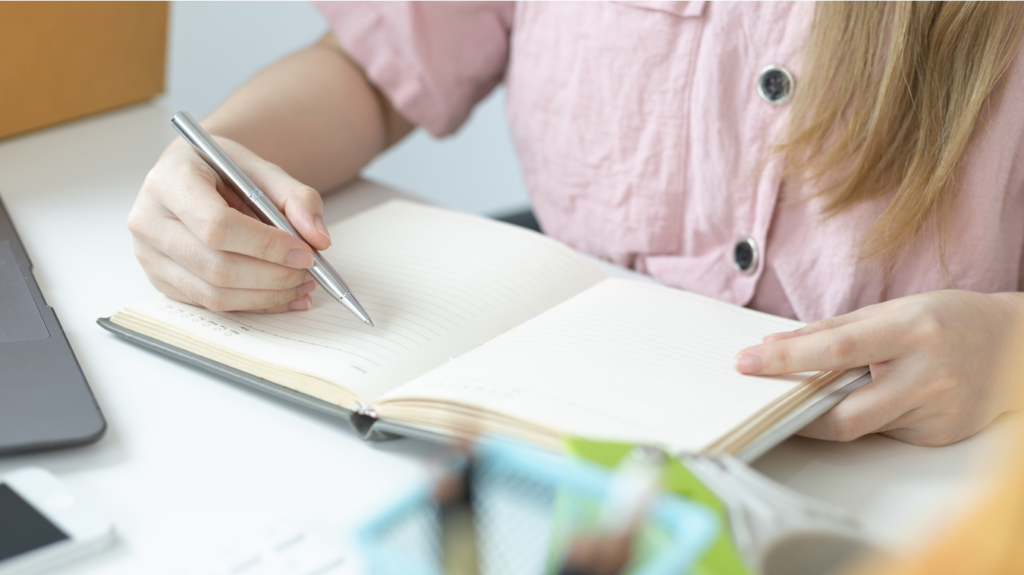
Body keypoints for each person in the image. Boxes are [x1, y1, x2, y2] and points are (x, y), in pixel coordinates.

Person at [127, 1, 1024, 447]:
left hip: (915, 475)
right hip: (546, 439)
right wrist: (225, 155)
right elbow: (373, 68)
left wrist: (1012, 351)